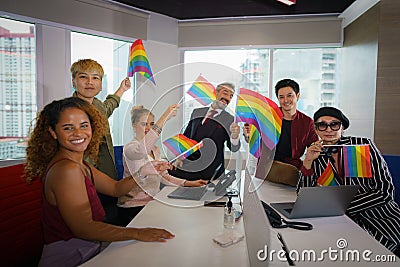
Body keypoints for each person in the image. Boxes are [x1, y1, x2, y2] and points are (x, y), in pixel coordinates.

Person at [24, 97, 174, 266]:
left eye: (84, 125)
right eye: (68, 128)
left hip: (89, 249)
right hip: (71, 256)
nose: (78, 133)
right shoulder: (67, 170)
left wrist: (141, 172)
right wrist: (138, 233)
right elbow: (84, 229)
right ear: (53, 132)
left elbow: (116, 189)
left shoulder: (79, 164)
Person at [299, 106, 400, 256]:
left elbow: (385, 192)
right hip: (342, 224)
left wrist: (338, 206)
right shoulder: (316, 155)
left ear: (342, 127)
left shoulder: (362, 145)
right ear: (317, 130)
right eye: (322, 125)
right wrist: (307, 162)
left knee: (367, 257)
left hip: (381, 220)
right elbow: (303, 196)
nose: (329, 129)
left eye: (334, 124)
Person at [117, 105, 207, 226]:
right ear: (134, 126)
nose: (148, 128)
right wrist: (165, 117)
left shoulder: (155, 150)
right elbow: (142, 151)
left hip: (152, 202)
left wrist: (189, 183)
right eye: (144, 124)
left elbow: (165, 177)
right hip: (133, 207)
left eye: (152, 124)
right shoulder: (130, 148)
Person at [71, 58, 131, 223]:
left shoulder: (96, 104)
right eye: (84, 77)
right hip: (83, 179)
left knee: (110, 219)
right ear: (74, 81)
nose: (90, 82)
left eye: (95, 78)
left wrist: (122, 89)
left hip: (106, 177)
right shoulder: (69, 111)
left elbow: (108, 108)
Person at [244, 79, 318, 186]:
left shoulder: (307, 122)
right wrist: (248, 135)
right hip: (269, 164)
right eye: (281, 97)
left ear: (297, 96)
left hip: (294, 164)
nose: (286, 100)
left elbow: (314, 146)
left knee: (312, 173)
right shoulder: (268, 117)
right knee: (291, 174)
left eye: (289, 96)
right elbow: (253, 140)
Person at [168, 82, 241, 180]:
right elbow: (186, 138)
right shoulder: (197, 112)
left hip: (210, 170)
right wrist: (179, 157)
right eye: (225, 93)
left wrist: (235, 137)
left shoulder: (230, 119)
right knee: (165, 172)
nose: (228, 98)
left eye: (231, 96)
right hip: (189, 164)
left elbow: (234, 148)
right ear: (216, 93)